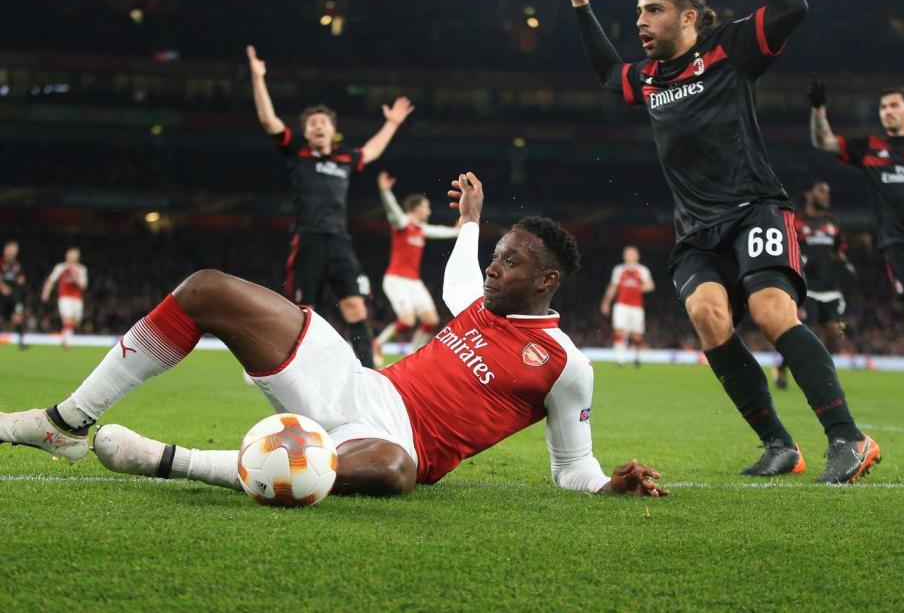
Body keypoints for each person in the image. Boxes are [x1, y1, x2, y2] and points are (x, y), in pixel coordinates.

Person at [0, 173, 667, 499]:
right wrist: (471, 223)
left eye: (513, 261)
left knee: (395, 473)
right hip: (355, 380)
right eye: (497, 253)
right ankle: (66, 422)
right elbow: (464, 270)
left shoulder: (565, 365)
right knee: (206, 287)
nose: (495, 265)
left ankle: (174, 460)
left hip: (392, 441)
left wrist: (608, 483)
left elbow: (571, 467)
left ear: (547, 279)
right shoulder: (477, 302)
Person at [569, 0, 879, 482]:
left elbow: (794, 7)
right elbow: (605, 73)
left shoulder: (728, 47)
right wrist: (580, 7)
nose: (640, 20)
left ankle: (848, 437)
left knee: (770, 310)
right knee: (709, 318)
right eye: (638, 11)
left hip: (755, 207)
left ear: (688, 15)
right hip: (696, 229)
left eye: (653, 9)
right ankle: (779, 445)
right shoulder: (648, 77)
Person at [247, 45, 415, 368]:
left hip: (339, 242)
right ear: (306, 131)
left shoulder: (344, 157)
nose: (318, 126)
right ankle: (290, 370)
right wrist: (258, 78)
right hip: (307, 239)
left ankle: (368, 373)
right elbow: (269, 120)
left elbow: (371, 151)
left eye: (323, 122)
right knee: (301, 314)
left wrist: (392, 124)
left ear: (332, 129)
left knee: (355, 309)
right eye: (312, 123)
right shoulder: (298, 152)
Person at [810, 81, 904, 418]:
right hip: (899, 244)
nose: (887, 112)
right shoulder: (871, 147)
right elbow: (824, 141)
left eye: (893, 106)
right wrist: (818, 109)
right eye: (882, 107)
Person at [773, 180, 855, 389]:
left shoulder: (832, 223)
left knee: (835, 332)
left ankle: (823, 370)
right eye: (821, 192)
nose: (826, 196)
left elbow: (838, 251)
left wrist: (846, 263)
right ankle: (783, 367)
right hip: (807, 288)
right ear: (808, 194)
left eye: (828, 192)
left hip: (831, 289)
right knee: (806, 332)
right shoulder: (796, 222)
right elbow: (786, 250)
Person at [373, 171, 459, 366]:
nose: (429, 211)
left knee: (430, 319)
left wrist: (457, 230)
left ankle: (412, 354)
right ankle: (377, 343)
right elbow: (392, 210)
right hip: (396, 279)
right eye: (426, 207)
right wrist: (385, 192)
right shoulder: (402, 223)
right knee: (408, 321)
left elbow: (440, 231)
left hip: (413, 281)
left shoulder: (421, 229)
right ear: (416, 208)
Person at [600, 246, 654, 366]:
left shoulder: (642, 270)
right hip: (621, 305)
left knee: (636, 335)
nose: (630, 256)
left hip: (636, 307)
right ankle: (619, 359)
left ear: (637, 256)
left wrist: (645, 287)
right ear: (624, 256)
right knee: (619, 330)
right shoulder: (619, 270)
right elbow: (613, 287)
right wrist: (606, 303)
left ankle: (636, 357)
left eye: (632, 254)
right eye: (628, 254)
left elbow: (650, 285)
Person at [40, 247, 88, 349]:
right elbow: (51, 280)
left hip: (77, 298)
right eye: (70, 255)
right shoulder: (60, 267)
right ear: (66, 256)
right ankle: (68, 342)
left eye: (74, 255)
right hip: (65, 297)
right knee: (68, 318)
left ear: (77, 257)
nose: (71, 257)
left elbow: (83, 286)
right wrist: (46, 293)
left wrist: (76, 278)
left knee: (76, 322)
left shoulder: (81, 269)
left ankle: (64, 335)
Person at [1, 241, 28, 349]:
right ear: (5, 250)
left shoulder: (18, 264)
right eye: (10, 249)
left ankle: (21, 342)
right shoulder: (1, 262)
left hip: (15, 294)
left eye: (14, 250)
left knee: (17, 317)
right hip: (2, 294)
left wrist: (21, 280)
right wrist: (2, 287)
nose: (12, 252)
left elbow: (21, 277)